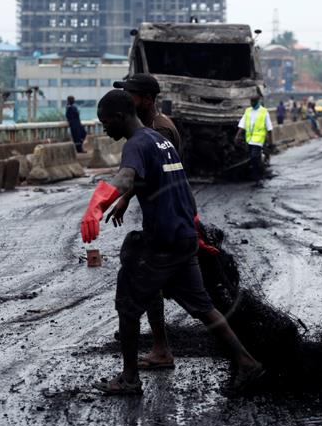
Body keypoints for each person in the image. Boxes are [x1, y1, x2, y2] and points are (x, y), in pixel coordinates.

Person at [79, 90, 264, 395]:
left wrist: (97, 205)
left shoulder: (136, 144)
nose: (104, 129)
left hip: (162, 241)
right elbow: (175, 184)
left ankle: (129, 378)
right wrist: (192, 227)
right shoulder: (159, 140)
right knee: (203, 307)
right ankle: (246, 362)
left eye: (105, 122)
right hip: (183, 237)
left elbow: (125, 177)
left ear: (121, 116)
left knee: (127, 306)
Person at [109, 72, 181, 370]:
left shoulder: (158, 131)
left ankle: (156, 350)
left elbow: (154, 175)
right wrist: (127, 199)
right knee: (188, 295)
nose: (127, 99)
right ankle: (160, 345)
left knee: (149, 285)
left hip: (168, 221)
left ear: (147, 100)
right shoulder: (153, 127)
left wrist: (116, 196)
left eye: (131, 95)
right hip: (165, 218)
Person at [235, 95, 273, 187]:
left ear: (258, 101)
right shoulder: (248, 111)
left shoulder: (264, 112)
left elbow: (269, 129)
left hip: (258, 140)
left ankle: (259, 178)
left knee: (254, 157)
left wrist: (271, 143)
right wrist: (237, 136)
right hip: (249, 140)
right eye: (251, 101)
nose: (252, 103)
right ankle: (257, 178)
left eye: (254, 101)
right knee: (253, 160)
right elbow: (242, 125)